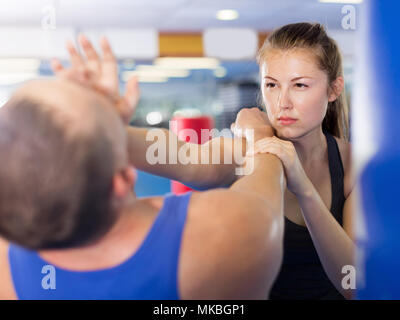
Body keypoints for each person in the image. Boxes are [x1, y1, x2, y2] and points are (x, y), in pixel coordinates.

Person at [67, 23, 355, 299]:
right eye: (271, 85)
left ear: (333, 89)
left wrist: (304, 189)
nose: (282, 102)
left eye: (300, 85)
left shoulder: (353, 164)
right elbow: (185, 156)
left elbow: (352, 282)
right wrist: (107, 128)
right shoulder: (246, 150)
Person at [0, 37, 286, 299]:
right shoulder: (220, 235)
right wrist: (259, 136)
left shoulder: (9, 265)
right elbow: (264, 186)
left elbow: (198, 165)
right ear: (124, 177)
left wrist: (104, 126)